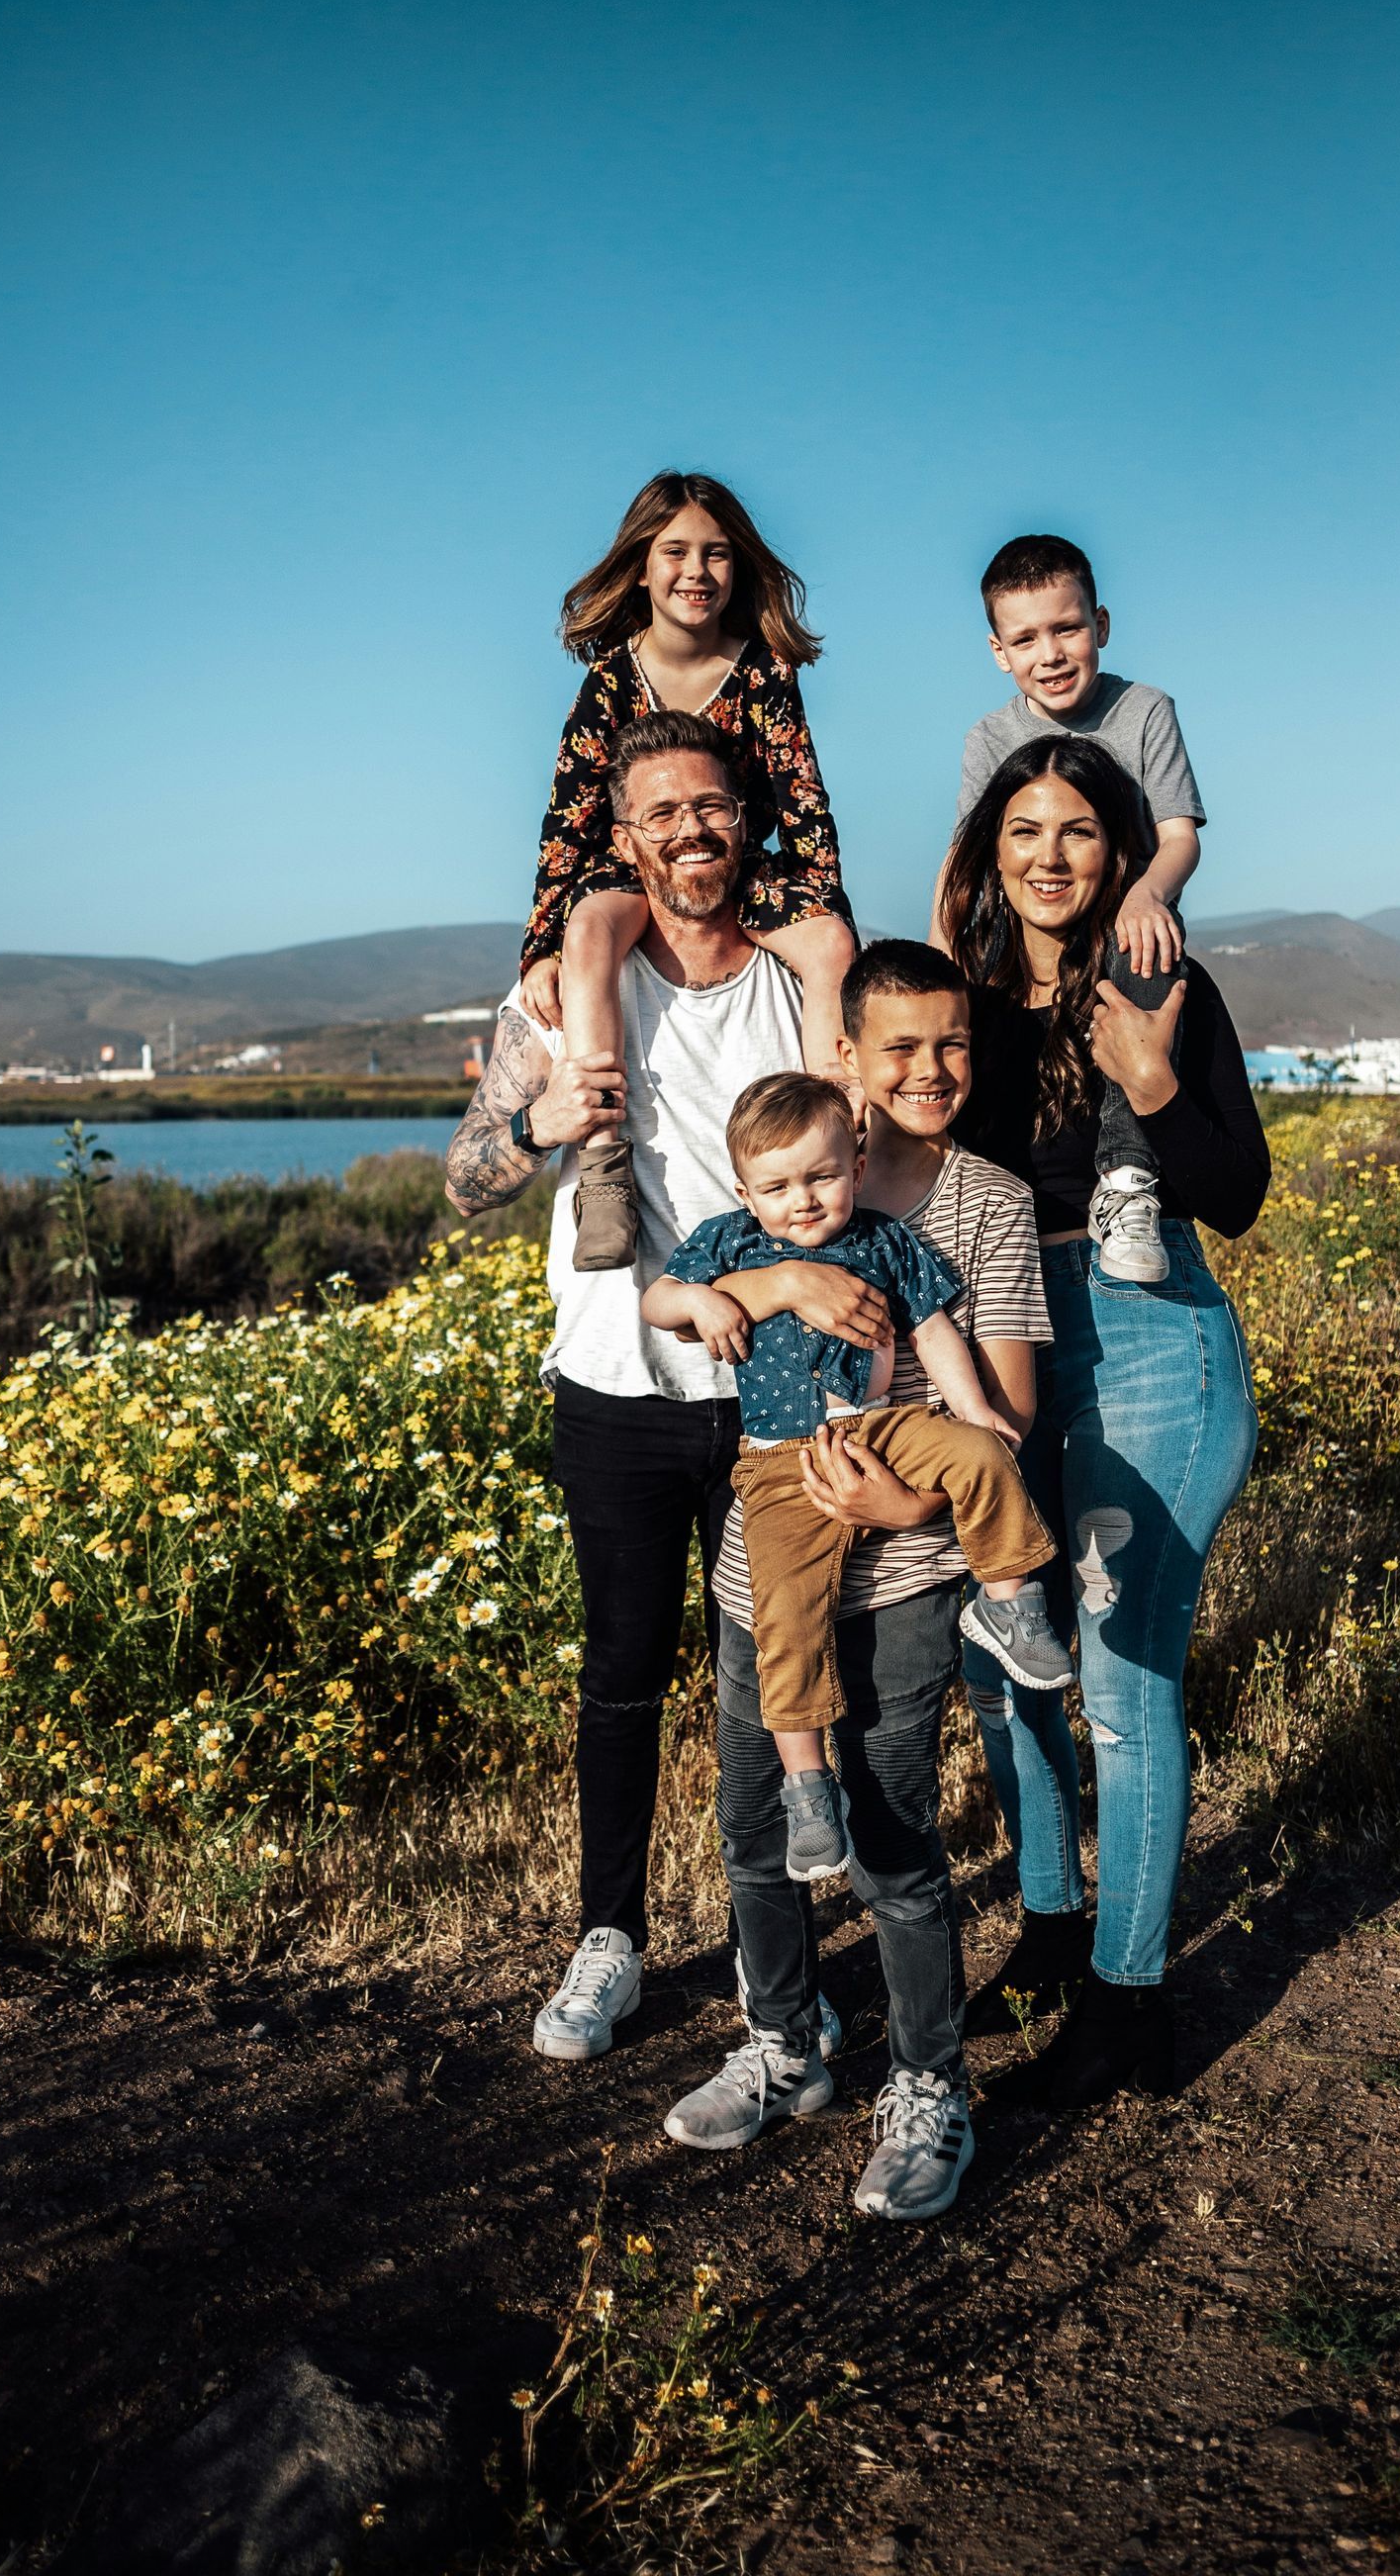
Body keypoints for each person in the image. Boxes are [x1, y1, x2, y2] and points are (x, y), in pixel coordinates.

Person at [446, 708, 840, 2068]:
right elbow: (463, 1181)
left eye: (713, 808)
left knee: (763, 1675)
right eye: (661, 812)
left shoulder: (795, 987)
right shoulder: (555, 997)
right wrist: (533, 1123)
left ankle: (767, 1953)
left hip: (771, 1390)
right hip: (615, 1381)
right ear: (623, 839)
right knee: (621, 1674)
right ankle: (607, 1938)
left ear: (749, 824)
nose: (691, 832)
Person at [661, 940, 1055, 2221]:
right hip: (759, 1556)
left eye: (953, 1045)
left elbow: (1008, 1408)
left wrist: (903, 1504)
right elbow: (675, 1304)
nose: (931, 1070)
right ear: (847, 1059)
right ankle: (786, 2042)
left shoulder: (981, 1203)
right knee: (757, 1821)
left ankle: (928, 2082)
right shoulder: (777, 1183)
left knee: (892, 1835)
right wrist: (772, 1278)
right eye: (900, 1046)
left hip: (910, 1562)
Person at [941, 736, 1268, 2109]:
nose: (1051, 856)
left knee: (1125, 1691)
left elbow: (1235, 1188)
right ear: (988, 851)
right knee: (1005, 1656)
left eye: (1079, 830)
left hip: (1149, 1341)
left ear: (1120, 850)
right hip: (1004, 1337)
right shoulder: (960, 1001)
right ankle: (1054, 1926)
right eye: (1025, 830)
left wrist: (1145, 1071)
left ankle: (1132, 2005)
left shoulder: (1164, 986)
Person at [641, 1070, 1064, 1886]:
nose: (802, 1200)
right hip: (778, 1461)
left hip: (885, 1428)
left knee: (985, 1457)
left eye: (822, 1176)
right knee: (786, 1615)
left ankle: (1012, 1607)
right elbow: (658, 1300)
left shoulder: (883, 1241)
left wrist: (978, 1412)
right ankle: (807, 1784)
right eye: (777, 1185)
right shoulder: (729, 1243)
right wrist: (705, 1304)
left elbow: (934, 1329)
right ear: (744, 1191)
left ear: (857, 1169)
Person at [519, 472, 856, 1274]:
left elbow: (804, 803)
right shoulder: (608, 680)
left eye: (715, 554)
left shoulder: (766, 672)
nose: (695, 571)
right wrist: (539, 946)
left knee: (832, 945)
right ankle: (604, 1167)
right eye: (675, 552)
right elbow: (567, 821)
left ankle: (841, 1134)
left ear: (738, 567)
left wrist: (823, 912)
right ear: (641, 565)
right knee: (592, 925)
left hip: (745, 866)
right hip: (633, 868)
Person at [937, 533, 1205, 1287]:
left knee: (1147, 944)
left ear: (1102, 626)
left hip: (1124, 931)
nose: (1050, 653)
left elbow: (1179, 836)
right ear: (999, 651)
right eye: (1026, 638)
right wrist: (937, 960)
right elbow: (963, 861)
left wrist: (1149, 890)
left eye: (1067, 628)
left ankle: (1126, 1183)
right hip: (1023, 938)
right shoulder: (990, 737)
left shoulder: (1145, 709)